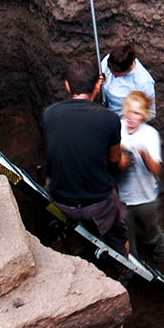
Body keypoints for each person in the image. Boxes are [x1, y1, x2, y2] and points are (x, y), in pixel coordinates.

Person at [43, 59, 128, 254]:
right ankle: (121, 259)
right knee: (118, 220)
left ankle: (79, 247)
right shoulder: (109, 119)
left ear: (67, 85)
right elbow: (115, 159)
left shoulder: (49, 114)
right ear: (97, 86)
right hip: (97, 203)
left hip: (61, 199)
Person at [118, 91, 164, 263]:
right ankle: (131, 267)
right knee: (125, 239)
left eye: (137, 113)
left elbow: (156, 170)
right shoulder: (117, 128)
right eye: (130, 111)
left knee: (152, 233)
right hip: (122, 199)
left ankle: (161, 249)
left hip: (146, 198)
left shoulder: (150, 134)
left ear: (144, 115)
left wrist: (143, 152)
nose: (132, 117)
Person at [100, 44, 156, 120]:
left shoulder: (143, 82)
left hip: (124, 121)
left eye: (118, 75)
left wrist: (130, 123)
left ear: (128, 69)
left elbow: (150, 113)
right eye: (112, 73)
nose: (115, 78)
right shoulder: (109, 61)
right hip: (105, 111)